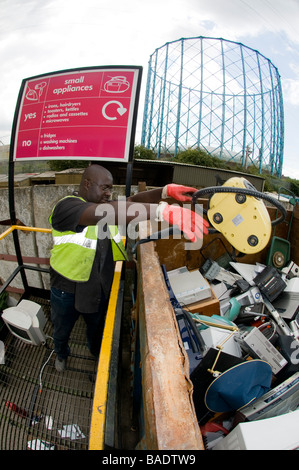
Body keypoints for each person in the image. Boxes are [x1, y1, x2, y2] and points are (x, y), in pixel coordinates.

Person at [49, 163, 209, 371]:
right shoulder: (67, 207)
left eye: (111, 189)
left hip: (97, 286)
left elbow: (131, 202)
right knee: (62, 327)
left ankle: (98, 357)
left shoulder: (104, 205)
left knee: (96, 330)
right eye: (104, 187)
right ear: (87, 184)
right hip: (65, 287)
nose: (109, 193)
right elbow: (100, 213)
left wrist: (164, 192)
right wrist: (163, 211)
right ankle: (61, 353)